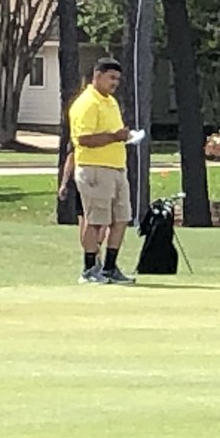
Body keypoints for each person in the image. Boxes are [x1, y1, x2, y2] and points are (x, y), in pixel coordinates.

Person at [68, 57, 136, 284]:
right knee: (95, 220)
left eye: (117, 79)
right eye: (111, 78)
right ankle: (89, 269)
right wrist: (115, 137)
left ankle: (109, 268)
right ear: (97, 76)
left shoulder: (111, 102)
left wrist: (124, 137)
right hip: (94, 168)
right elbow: (83, 139)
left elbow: (113, 133)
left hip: (116, 167)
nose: (115, 83)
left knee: (121, 218)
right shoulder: (87, 103)